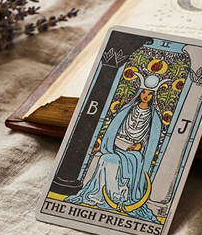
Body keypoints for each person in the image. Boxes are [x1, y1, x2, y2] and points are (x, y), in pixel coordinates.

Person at [66, 88, 162, 221]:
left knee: (117, 161)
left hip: (134, 151)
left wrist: (139, 146)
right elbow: (115, 129)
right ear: (139, 93)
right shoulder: (127, 109)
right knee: (107, 159)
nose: (146, 96)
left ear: (153, 96)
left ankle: (118, 197)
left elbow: (149, 139)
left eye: (149, 94)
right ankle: (99, 195)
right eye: (144, 92)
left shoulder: (153, 117)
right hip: (116, 146)